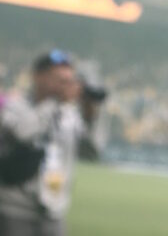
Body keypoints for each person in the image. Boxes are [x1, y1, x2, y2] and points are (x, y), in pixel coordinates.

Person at [0, 50, 103, 236]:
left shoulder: (69, 114)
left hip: (53, 211)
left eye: (69, 80)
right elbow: (23, 133)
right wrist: (55, 102)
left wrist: (90, 115)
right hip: (14, 209)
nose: (65, 86)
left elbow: (93, 151)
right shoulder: (15, 106)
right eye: (60, 80)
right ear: (38, 77)